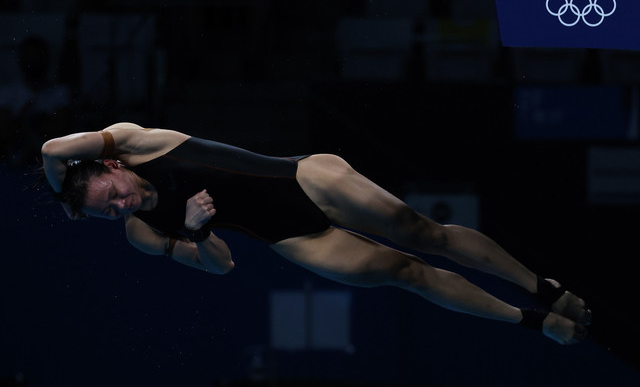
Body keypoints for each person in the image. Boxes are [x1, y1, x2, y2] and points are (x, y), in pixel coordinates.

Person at [41, 122, 591, 345]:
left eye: (112, 198)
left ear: (112, 167)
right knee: (407, 273)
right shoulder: (141, 232)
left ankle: (540, 284)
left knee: (421, 232)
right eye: (105, 215)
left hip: (304, 178)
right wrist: (199, 232)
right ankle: (535, 320)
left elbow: (51, 151)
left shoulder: (135, 141)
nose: (119, 208)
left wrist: (58, 193)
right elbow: (221, 266)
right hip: (289, 235)